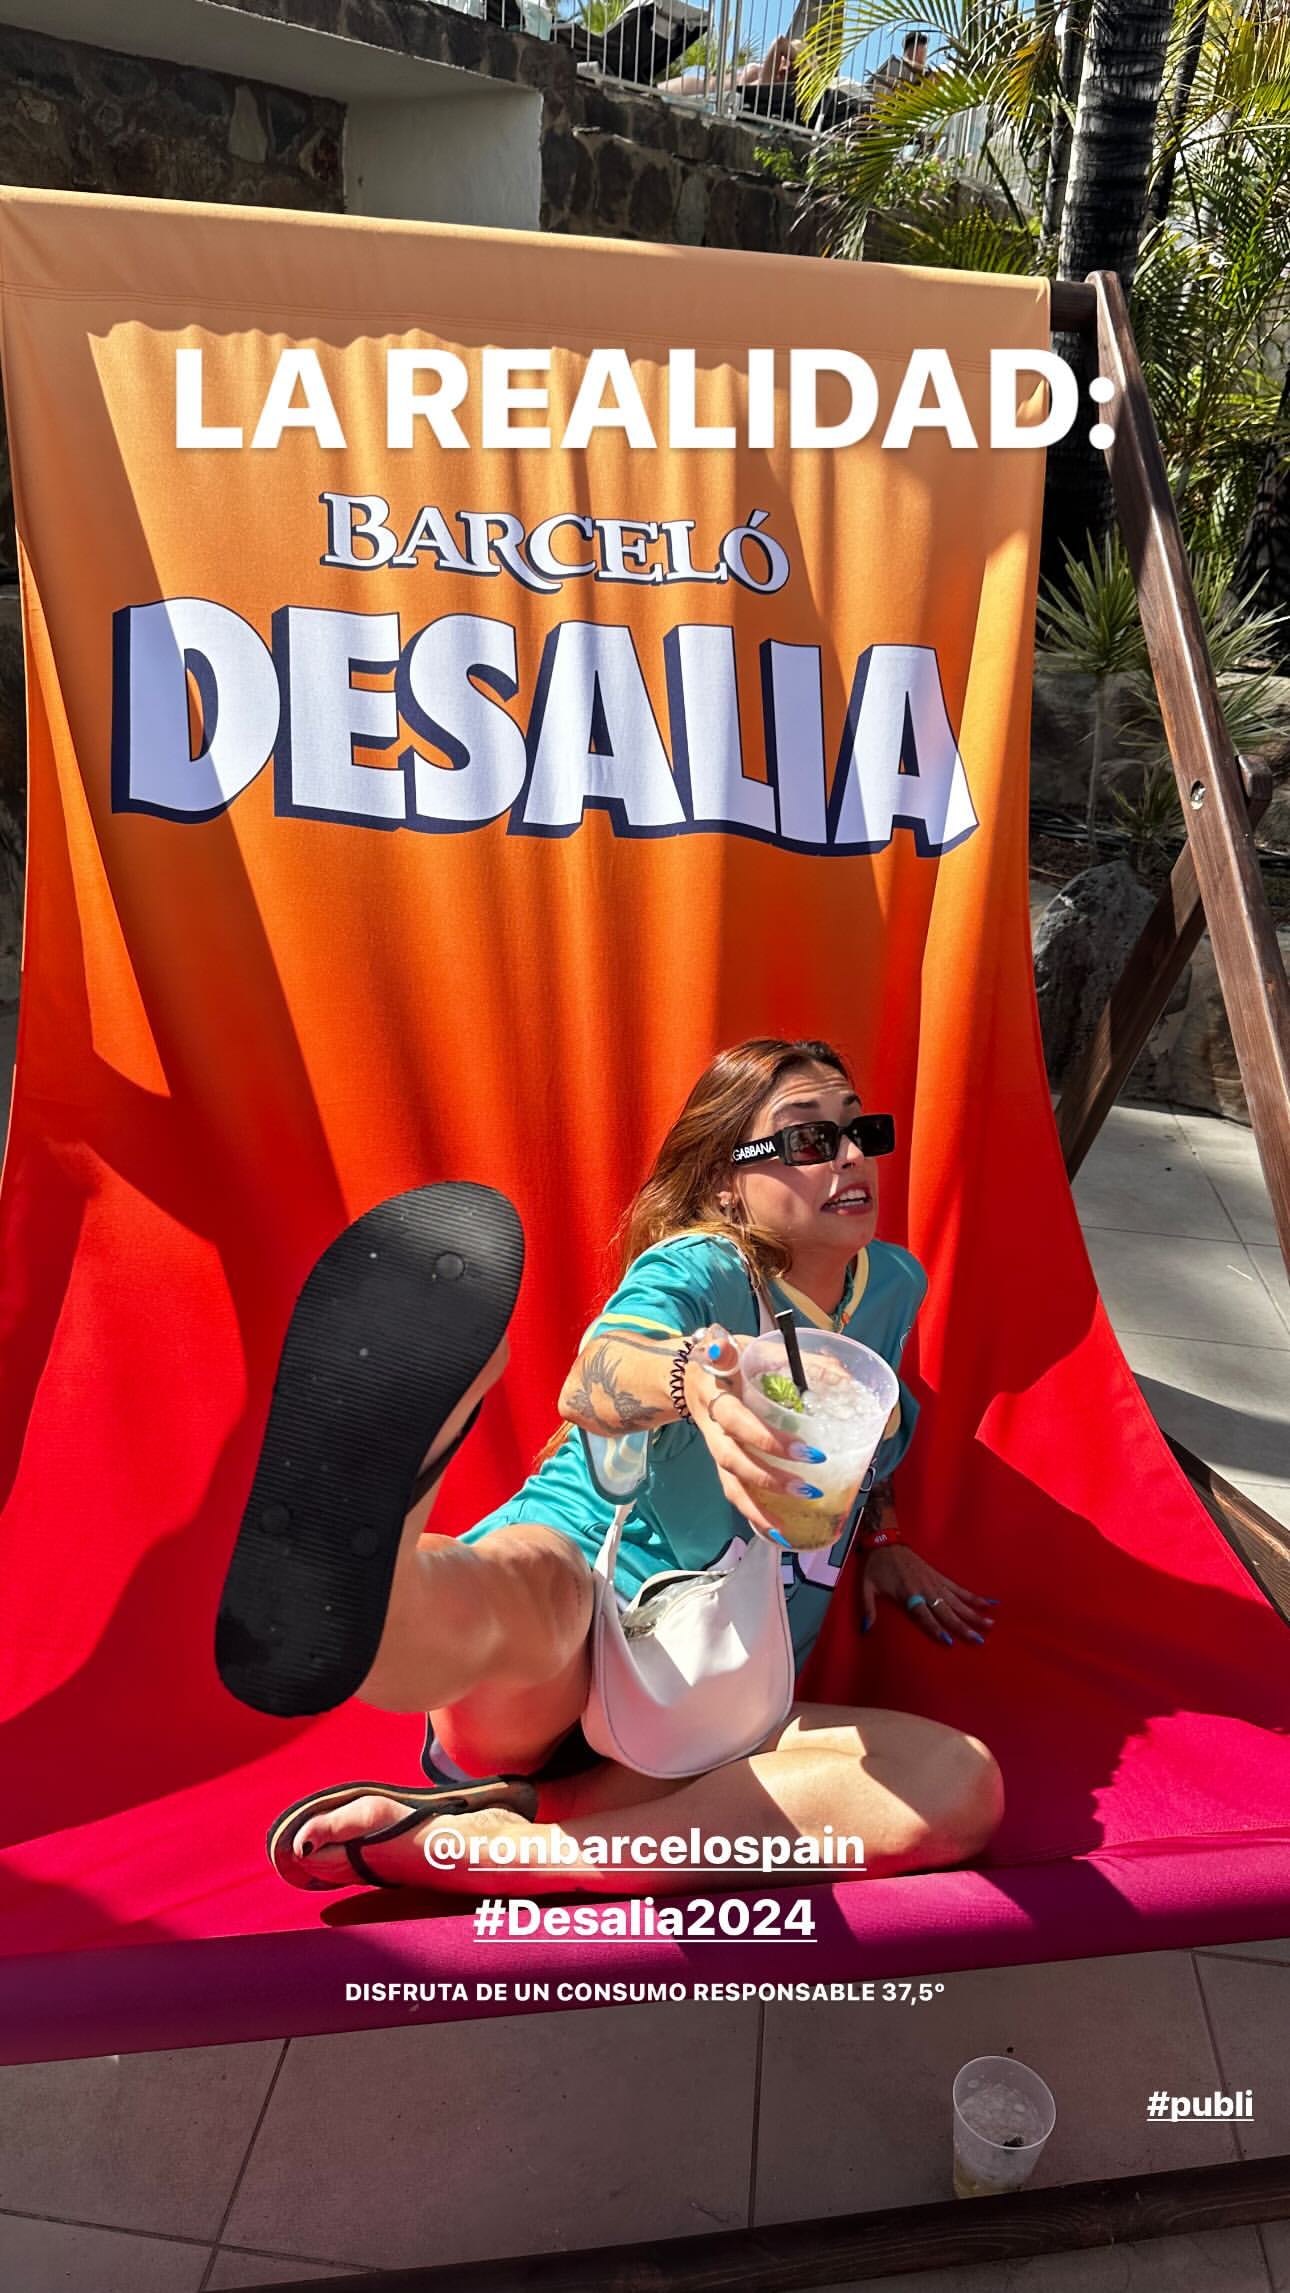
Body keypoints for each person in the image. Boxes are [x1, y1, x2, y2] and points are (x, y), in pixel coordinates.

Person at [269, 1037, 1004, 1894]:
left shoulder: (892, 1287)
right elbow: (599, 1371)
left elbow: (870, 1426)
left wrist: (885, 1538)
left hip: (704, 1700)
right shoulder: (700, 1265)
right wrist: (699, 1381)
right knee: (539, 1584)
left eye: (857, 1130)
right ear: (725, 1182)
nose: (848, 1156)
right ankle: (377, 1574)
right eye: (807, 1137)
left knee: (960, 1785)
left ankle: (500, 1840)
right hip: (561, 1645)